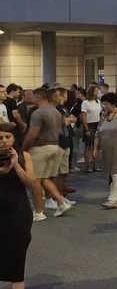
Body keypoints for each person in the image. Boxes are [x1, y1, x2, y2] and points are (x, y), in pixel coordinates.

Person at [0, 122, 39, 289]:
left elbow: (31, 183)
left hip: (18, 209)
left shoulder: (24, 156)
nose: (4, 141)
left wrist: (15, 165)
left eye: (8, 137)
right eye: (0, 138)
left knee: (17, 250)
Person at [22, 88, 72, 217]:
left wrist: (24, 149)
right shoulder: (56, 111)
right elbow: (62, 129)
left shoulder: (38, 113)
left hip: (40, 148)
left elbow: (32, 134)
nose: (31, 99)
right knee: (45, 178)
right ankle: (61, 202)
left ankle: (38, 212)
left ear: (38, 97)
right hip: (56, 146)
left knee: (35, 180)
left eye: (33, 96)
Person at [81, 85, 102, 173]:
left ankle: (95, 166)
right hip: (89, 124)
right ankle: (87, 166)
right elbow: (84, 117)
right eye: (95, 91)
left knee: (96, 146)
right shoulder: (85, 103)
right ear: (91, 92)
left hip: (97, 123)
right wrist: (86, 129)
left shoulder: (98, 102)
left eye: (97, 91)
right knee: (88, 146)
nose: (97, 92)